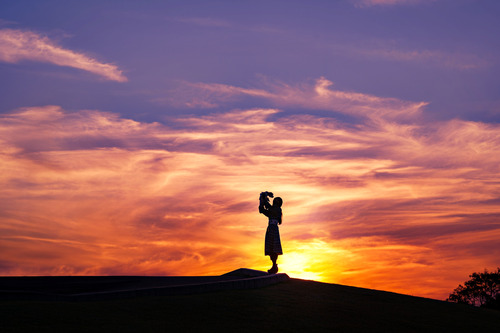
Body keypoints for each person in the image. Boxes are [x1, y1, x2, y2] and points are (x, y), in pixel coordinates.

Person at [259, 191, 283, 274]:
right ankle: (273, 265)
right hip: (270, 229)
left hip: (273, 229)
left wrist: (264, 198)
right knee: (271, 248)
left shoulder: (277, 209)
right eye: (275, 200)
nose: (275, 201)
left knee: (274, 248)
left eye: (277, 201)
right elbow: (264, 210)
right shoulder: (272, 210)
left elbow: (269, 208)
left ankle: (274, 265)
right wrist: (262, 200)